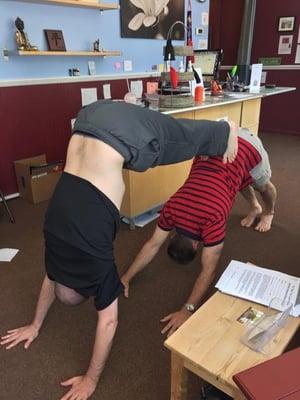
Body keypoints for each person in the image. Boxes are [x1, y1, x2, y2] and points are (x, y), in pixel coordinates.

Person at [0, 100, 238, 400]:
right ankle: (127, 106)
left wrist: (91, 379)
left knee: (179, 139)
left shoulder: (97, 266)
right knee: (141, 146)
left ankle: (225, 130)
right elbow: (50, 279)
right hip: (88, 118)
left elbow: (109, 320)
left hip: (124, 133)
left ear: (86, 288)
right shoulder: (54, 242)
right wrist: (33, 324)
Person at [121, 127, 277, 337]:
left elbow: (208, 270)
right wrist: (126, 277)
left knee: (263, 186)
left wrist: (188, 310)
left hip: (248, 146)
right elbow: (152, 245)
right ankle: (254, 207)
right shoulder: (172, 206)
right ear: (174, 234)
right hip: (216, 139)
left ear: (197, 244)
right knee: (235, 176)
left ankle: (268, 211)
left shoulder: (212, 219)